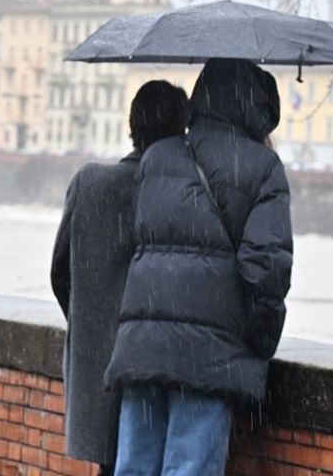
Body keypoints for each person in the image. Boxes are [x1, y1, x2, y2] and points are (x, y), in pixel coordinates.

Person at [107, 58, 293, 476]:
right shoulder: (263, 168)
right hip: (206, 354)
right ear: (258, 110)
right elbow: (267, 267)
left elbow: (141, 246)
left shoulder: (158, 157)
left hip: (143, 345)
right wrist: (261, 340)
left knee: (133, 467)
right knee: (189, 467)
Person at [50, 80, 190, 475]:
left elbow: (60, 274)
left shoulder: (91, 183)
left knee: (111, 465)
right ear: (181, 132)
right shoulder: (179, 193)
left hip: (98, 365)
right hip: (156, 369)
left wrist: (92, 323)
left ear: (132, 125)